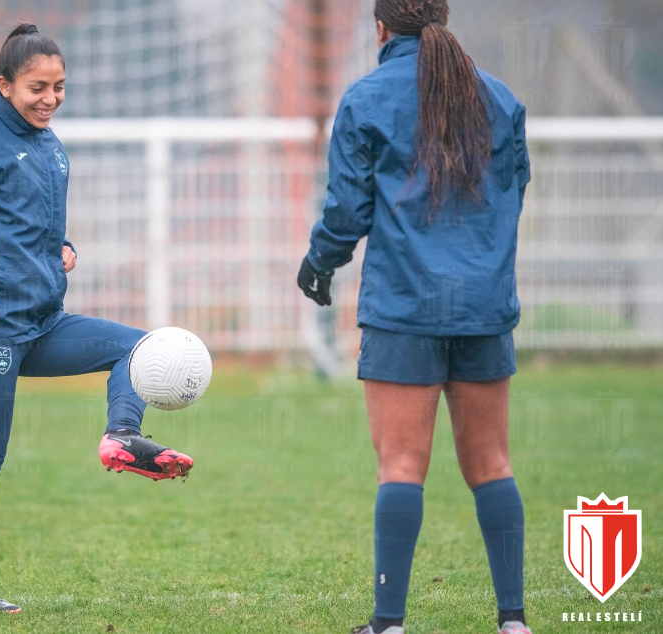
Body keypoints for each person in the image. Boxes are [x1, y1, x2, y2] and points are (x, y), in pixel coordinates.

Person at [0, 24, 194, 613]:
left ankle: (121, 435)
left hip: (41, 322)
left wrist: (62, 250)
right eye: (38, 87)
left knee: (139, 348)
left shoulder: (51, 148)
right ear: (5, 85)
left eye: (59, 87)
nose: (50, 99)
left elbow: (23, 226)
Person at [296, 1, 531, 633]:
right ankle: (514, 621)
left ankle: (389, 624)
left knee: (401, 467)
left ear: (380, 29)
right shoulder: (502, 99)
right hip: (484, 307)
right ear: (443, 19)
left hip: (404, 306)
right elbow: (514, 195)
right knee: (492, 464)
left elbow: (348, 208)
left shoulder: (367, 97)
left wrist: (320, 263)